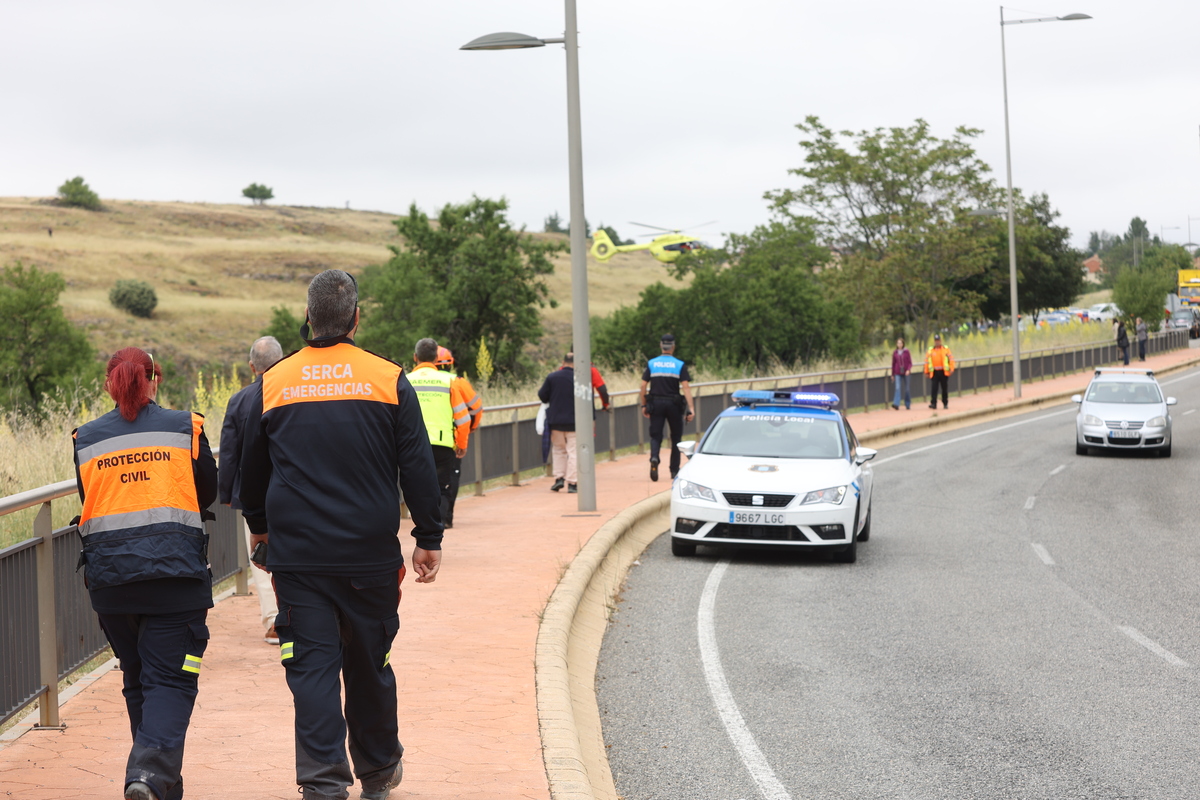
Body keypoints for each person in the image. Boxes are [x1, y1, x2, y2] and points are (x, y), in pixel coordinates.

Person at [239, 269, 443, 800]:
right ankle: (378, 771)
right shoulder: (387, 378)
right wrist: (428, 536)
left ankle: (324, 781)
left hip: (299, 560)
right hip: (369, 557)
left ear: (307, 319)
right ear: (355, 319)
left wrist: (259, 531)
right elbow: (418, 466)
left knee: (311, 669)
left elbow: (253, 473)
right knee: (370, 663)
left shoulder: (274, 382)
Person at [72, 347, 218, 800]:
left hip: (112, 584)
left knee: (138, 679)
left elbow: (88, 497)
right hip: (175, 580)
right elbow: (207, 492)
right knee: (171, 680)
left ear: (109, 384)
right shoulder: (186, 428)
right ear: (154, 380)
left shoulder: (86, 438)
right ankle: (148, 776)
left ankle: (156, 784)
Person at [218, 335, 283, 644]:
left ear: (251, 367)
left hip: (252, 496)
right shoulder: (294, 393)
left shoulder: (240, 400)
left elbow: (229, 452)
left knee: (261, 555)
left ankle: (273, 619)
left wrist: (227, 493)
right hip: (293, 490)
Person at [410, 339, 471, 526]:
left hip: (413, 445)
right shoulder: (450, 381)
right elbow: (463, 418)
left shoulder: (404, 381)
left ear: (415, 357)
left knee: (416, 488)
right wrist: (461, 444)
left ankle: (422, 525)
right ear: (437, 358)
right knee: (443, 487)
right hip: (443, 444)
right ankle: (439, 524)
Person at [434, 346, 484, 527]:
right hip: (451, 440)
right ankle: (446, 518)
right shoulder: (458, 382)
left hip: (423, 441)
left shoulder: (421, 380)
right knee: (449, 479)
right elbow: (476, 408)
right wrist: (470, 429)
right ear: (450, 363)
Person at [638, 333, 695, 482]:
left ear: (661, 346)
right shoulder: (679, 364)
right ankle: (674, 470)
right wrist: (691, 407)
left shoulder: (652, 363)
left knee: (656, 436)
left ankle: (654, 457)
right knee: (676, 437)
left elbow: (643, 385)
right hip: (674, 405)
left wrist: (644, 404)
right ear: (673, 346)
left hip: (655, 404)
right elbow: (686, 387)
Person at [537, 352, 578, 493]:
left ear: (563, 362)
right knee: (573, 452)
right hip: (574, 422)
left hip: (555, 422)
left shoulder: (552, 377)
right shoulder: (579, 378)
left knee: (559, 450)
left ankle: (559, 478)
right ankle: (572, 483)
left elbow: (542, 396)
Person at [925, 333, 955, 410]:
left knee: (944, 388)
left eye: (938, 340)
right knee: (934, 388)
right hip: (934, 372)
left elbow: (951, 360)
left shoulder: (945, 349)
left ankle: (945, 403)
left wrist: (952, 368)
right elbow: (926, 362)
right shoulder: (930, 350)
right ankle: (933, 403)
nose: (937, 342)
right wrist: (926, 371)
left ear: (940, 341)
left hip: (943, 372)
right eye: (936, 340)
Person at [891, 337, 912, 410]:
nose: (899, 344)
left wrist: (908, 370)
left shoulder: (906, 352)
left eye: (900, 343)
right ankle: (896, 404)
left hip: (906, 372)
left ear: (903, 344)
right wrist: (892, 374)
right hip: (898, 372)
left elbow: (910, 363)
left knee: (907, 389)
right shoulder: (895, 353)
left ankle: (907, 403)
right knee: (897, 388)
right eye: (898, 343)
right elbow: (893, 364)